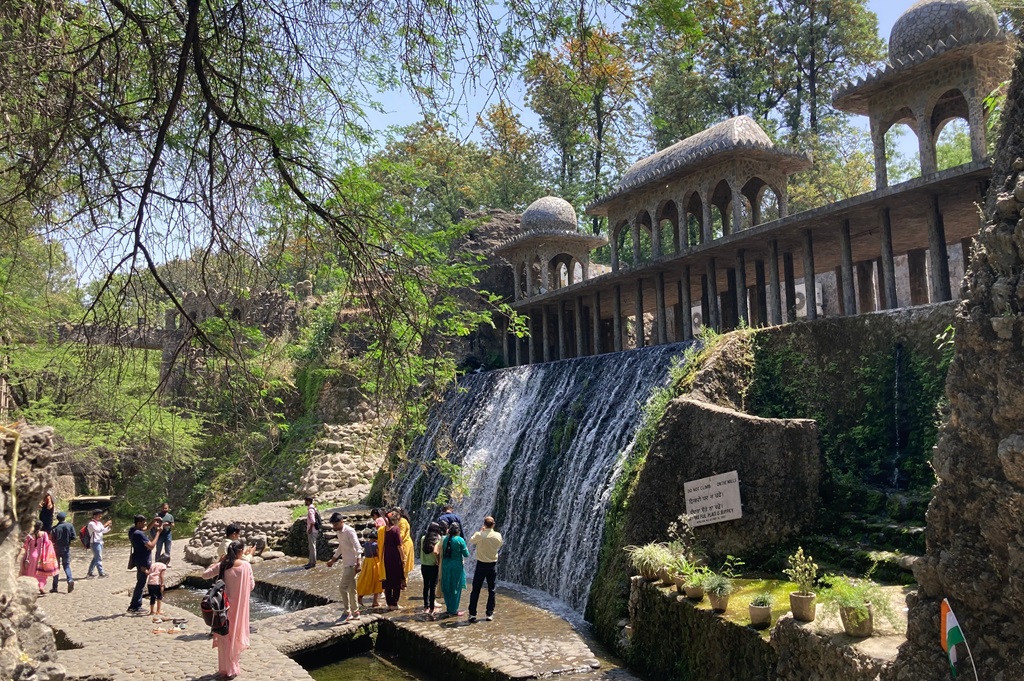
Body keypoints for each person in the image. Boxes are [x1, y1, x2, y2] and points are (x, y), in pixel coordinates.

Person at [202, 541, 254, 680]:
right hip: (240, 609)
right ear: (241, 551)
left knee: (225, 637)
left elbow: (205, 575)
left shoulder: (223, 565)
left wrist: (217, 562)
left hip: (223, 607)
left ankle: (225, 669)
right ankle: (233, 667)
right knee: (236, 637)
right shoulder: (246, 566)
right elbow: (251, 586)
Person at [325, 512, 362, 621]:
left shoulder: (349, 531)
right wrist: (333, 560)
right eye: (333, 525)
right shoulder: (339, 532)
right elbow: (341, 547)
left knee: (342, 588)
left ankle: (347, 611)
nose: (334, 527)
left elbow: (358, 547)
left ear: (342, 522)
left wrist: (359, 563)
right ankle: (356, 612)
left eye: (336, 525)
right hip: (346, 563)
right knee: (352, 589)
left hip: (352, 564)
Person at [467, 516, 503, 623]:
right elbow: (500, 544)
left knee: (476, 589)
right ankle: (489, 613)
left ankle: (472, 614)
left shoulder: (480, 535)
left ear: (484, 524)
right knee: (492, 590)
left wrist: (480, 531)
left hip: (481, 565)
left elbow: (471, 540)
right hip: (492, 565)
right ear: (493, 524)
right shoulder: (498, 535)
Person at [127, 515, 159, 614]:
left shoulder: (132, 530)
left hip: (138, 559)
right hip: (143, 561)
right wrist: (158, 533)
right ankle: (135, 606)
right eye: (144, 522)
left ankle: (135, 604)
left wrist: (153, 521)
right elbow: (151, 546)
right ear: (139, 523)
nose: (145, 524)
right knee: (140, 583)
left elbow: (147, 528)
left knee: (140, 582)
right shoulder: (139, 534)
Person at [20, 519, 58, 595]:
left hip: (31, 556)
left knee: (30, 573)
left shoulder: (29, 535)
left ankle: (30, 588)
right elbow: (47, 544)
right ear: (40, 526)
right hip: (41, 556)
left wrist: (24, 558)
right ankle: (41, 586)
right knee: (41, 573)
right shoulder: (44, 534)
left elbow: (26, 547)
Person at [439, 522, 469, 617]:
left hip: (446, 565)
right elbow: (466, 554)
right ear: (458, 531)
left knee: (447, 585)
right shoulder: (460, 540)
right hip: (456, 566)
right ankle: (454, 610)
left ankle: (449, 608)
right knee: (456, 587)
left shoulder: (445, 539)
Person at [380, 512, 405, 610]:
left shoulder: (382, 530)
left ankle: (389, 604)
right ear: (395, 520)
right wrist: (403, 558)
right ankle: (394, 604)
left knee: (387, 581)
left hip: (385, 557)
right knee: (396, 581)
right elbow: (399, 546)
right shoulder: (395, 529)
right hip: (395, 558)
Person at [50, 511, 76, 593]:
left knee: (56, 567)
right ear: (65, 518)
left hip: (56, 548)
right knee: (66, 565)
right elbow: (74, 537)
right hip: (66, 548)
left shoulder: (54, 528)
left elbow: (52, 539)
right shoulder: (70, 526)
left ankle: (55, 587)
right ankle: (70, 579)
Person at [419, 522, 442, 618]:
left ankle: (426, 606)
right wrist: (438, 561)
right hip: (433, 566)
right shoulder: (437, 540)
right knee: (432, 587)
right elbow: (436, 552)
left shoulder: (423, 538)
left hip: (424, 565)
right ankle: (432, 608)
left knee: (426, 586)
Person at [356, 531, 381, 611]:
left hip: (367, 562)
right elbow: (379, 554)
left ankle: (360, 597)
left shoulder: (366, 544)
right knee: (377, 581)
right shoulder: (375, 545)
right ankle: (375, 601)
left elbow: (364, 552)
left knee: (366, 580)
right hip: (374, 562)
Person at [86, 509, 112, 577]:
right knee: (98, 558)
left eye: (101, 516)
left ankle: (90, 572)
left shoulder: (99, 523)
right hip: (94, 543)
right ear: (95, 516)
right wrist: (105, 524)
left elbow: (103, 531)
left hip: (100, 542)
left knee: (95, 558)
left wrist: (108, 527)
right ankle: (101, 572)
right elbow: (98, 530)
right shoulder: (91, 524)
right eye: (99, 516)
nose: (100, 517)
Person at [397, 507, 415, 578]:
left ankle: (403, 582)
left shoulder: (402, 522)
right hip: (402, 544)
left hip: (405, 544)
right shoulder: (399, 521)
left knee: (403, 566)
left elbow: (401, 534)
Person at [304, 496, 319, 569]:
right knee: (311, 546)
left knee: (312, 547)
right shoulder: (314, 508)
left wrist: (310, 529)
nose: (305, 502)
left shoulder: (310, 510)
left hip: (312, 531)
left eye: (305, 501)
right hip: (314, 530)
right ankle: (311, 562)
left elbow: (313, 521)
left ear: (308, 501)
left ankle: (312, 563)